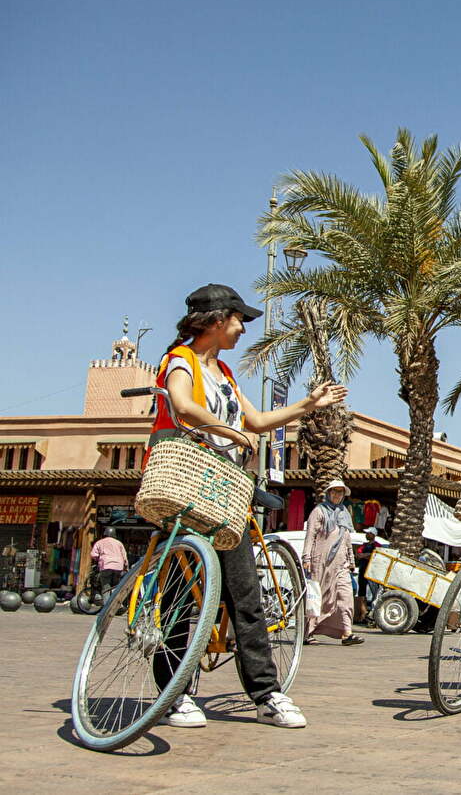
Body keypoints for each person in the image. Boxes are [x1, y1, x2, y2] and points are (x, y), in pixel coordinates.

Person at [152, 283, 348, 730]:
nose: (242, 329)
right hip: (185, 486)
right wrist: (230, 430)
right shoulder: (180, 362)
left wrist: (308, 404)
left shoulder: (223, 372)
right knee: (182, 597)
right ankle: (173, 694)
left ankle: (266, 694)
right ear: (216, 320)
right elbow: (181, 405)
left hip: (225, 493)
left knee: (246, 596)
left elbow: (257, 421)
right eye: (238, 319)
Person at [303, 480, 365, 646]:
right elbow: (310, 536)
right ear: (329, 493)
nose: (337, 495)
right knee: (318, 598)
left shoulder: (343, 512)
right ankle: (307, 632)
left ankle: (347, 633)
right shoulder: (319, 511)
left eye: (340, 492)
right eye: (334, 492)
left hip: (341, 565)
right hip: (321, 562)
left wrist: (351, 560)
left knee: (345, 597)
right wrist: (306, 558)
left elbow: (346, 538)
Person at [89, 526, 128, 594]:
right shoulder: (119, 543)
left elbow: (93, 555)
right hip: (118, 568)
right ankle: (114, 603)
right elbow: (124, 557)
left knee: (106, 587)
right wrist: (126, 567)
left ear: (105, 533)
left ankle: (107, 604)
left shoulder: (100, 542)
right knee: (115, 587)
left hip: (105, 567)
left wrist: (98, 560)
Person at [354, 526, 379, 625]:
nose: (366, 535)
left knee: (375, 593)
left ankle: (373, 614)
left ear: (373, 535)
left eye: (368, 533)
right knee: (361, 593)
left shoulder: (377, 545)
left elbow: (376, 555)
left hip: (373, 573)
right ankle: (363, 614)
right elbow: (358, 554)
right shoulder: (363, 545)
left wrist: (366, 555)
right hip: (362, 571)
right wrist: (367, 555)